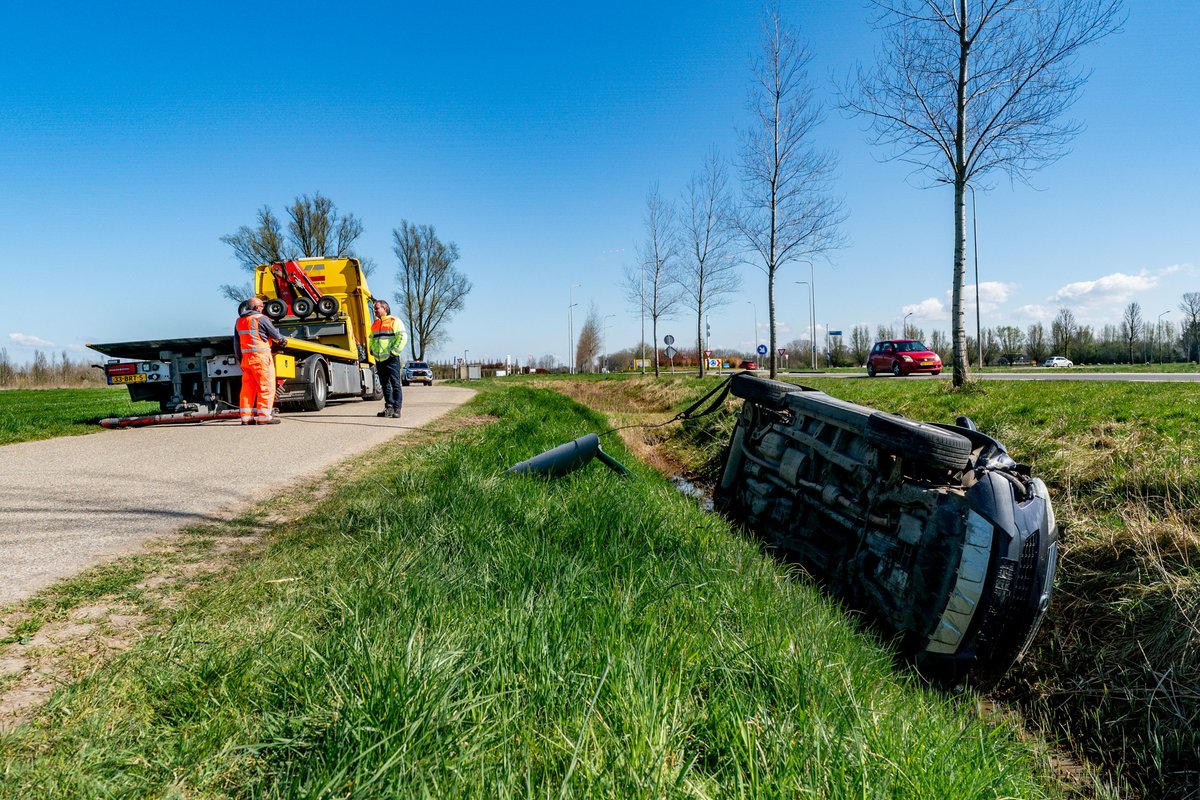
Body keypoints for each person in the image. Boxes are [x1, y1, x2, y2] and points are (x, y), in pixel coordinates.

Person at [234, 297, 288, 425]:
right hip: (261, 359)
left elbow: (236, 343)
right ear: (256, 307)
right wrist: (282, 340)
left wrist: (239, 358)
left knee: (247, 389)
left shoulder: (239, 321)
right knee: (266, 387)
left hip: (246, 360)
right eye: (262, 307)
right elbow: (275, 334)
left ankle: (246, 418)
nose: (263, 309)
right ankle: (264, 416)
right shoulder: (261, 319)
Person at [370, 299, 408, 418]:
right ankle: (389, 408)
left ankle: (397, 409)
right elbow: (371, 339)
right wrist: (372, 350)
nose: (375, 311)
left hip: (391, 359)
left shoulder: (395, 321)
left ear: (384, 309)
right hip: (379, 359)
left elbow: (402, 337)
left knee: (395, 384)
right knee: (384, 384)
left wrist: (393, 352)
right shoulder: (375, 324)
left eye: (377, 308)